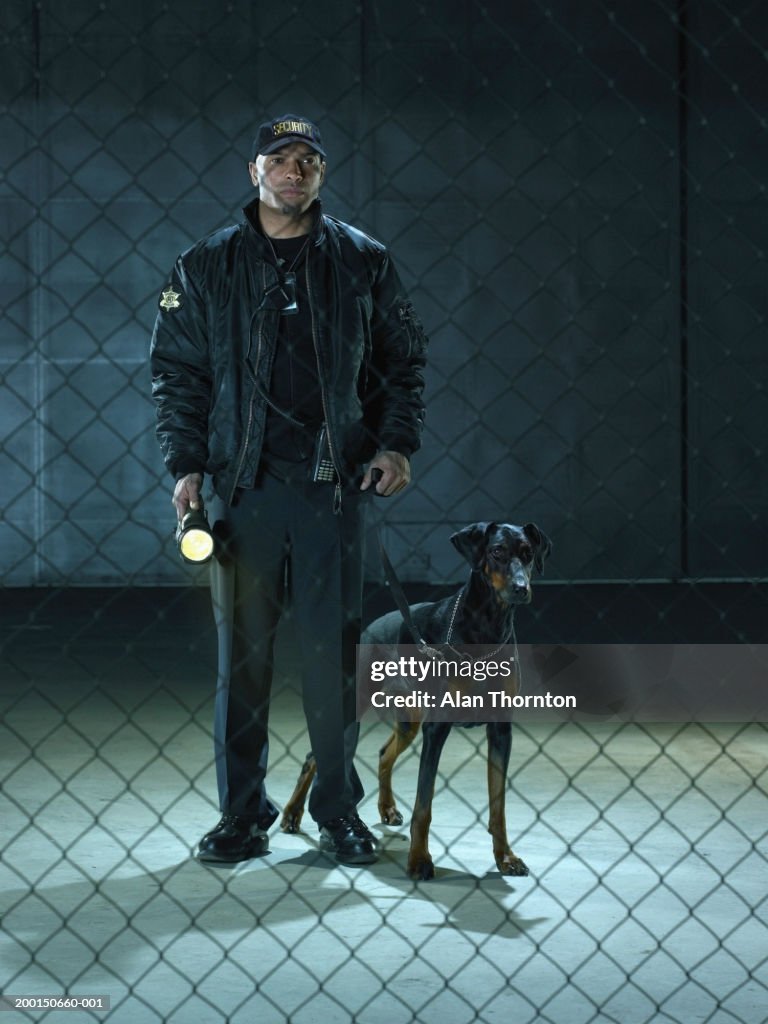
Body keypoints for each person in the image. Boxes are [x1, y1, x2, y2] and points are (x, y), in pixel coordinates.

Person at [150, 114, 427, 866]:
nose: (293, 171)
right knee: (241, 665)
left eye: (308, 160)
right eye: (280, 159)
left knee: (335, 660)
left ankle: (339, 812)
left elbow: (404, 364)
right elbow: (178, 375)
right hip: (243, 494)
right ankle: (242, 816)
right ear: (254, 172)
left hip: (333, 492)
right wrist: (186, 467)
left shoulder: (363, 262)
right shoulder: (207, 266)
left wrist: (397, 445)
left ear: (322, 175)